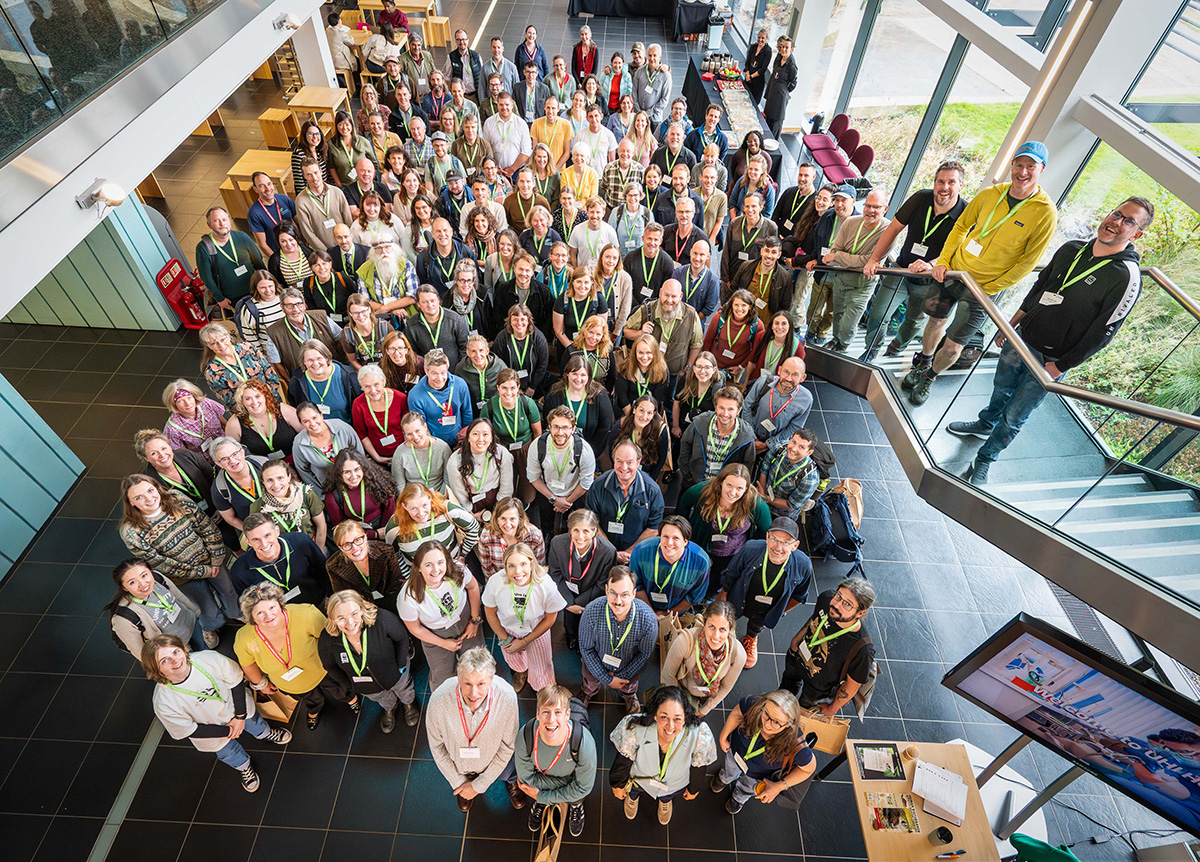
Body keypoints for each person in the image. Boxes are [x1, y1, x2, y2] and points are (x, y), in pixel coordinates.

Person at [951, 197, 1150, 485]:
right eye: (1116, 214)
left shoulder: (1125, 276)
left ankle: (985, 459)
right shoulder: (1071, 249)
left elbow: (1104, 333)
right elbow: (1040, 287)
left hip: (1051, 361)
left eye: (1129, 221)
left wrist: (1059, 367)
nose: (1117, 222)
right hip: (1021, 340)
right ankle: (985, 422)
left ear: (1137, 234)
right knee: (1000, 388)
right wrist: (1011, 325)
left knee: (1015, 416)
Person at [904, 141, 1058, 406]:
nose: (1022, 172)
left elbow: (1027, 262)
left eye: (1030, 166)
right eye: (1018, 164)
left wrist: (992, 286)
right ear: (1012, 166)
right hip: (954, 272)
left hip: (983, 288)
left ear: (1041, 169)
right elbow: (962, 225)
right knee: (935, 321)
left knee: (953, 346)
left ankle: (930, 375)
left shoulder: (1045, 212)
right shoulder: (990, 194)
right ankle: (924, 361)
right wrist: (944, 261)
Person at [145, 634, 292, 792]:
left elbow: (236, 682)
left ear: (183, 649)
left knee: (255, 722)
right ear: (156, 669)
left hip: (239, 709)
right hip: (212, 733)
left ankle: (266, 734)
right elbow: (189, 729)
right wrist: (229, 730)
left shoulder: (208, 659)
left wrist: (240, 717)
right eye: (164, 660)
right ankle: (244, 767)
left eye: (175, 652)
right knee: (228, 752)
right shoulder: (163, 701)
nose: (175, 660)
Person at [859, 161, 969, 362]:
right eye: (940, 181)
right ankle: (872, 350)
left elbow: (960, 250)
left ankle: (898, 344)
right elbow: (893, 228)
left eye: (951, 182)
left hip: (929, 279)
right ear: (934, 183)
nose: (944, 187)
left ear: (960, 185)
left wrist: (931, 264)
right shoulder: (920, 198)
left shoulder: (965, 212)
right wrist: (874, 259)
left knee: (913, 321)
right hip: (901, 270)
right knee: (878, 315)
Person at [118, 475, 238, 635]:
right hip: (183, 576)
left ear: (157, 488)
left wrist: (216, 559)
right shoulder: (131, 531)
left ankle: (236, 613)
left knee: (228, 590)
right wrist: (204, 571)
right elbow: (161, 564)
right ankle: (211, 627)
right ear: (131, 503)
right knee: (204, 606)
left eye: (150, 490)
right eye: (139, 497)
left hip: (210, 560)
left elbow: (206, 527)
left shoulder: (178, 500)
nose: (148, 499)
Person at [235, 583, 352, 730]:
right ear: (251, 617)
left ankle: (351, 699)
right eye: (260, 613)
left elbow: (331, 640)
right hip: (290, 683)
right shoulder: (244, 637)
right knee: (311, 699)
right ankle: (314, 710)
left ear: (280, 604)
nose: (269, 616)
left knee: (340, 688)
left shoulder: (306, 614)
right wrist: (261, 684)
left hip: (323, 670)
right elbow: (248, 664)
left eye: (272, 607)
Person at [426, 646, 523, 812]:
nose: (473, 693)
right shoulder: (438, 700)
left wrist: (479, 786)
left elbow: (507, 747)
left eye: (481, 683)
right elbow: (437, 747)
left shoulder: (507, 697)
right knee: (464, 785)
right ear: (459, 678)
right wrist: (459, 783)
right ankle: (464, 788)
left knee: (510, 771)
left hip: (496, 759)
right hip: (460, 766)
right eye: (467, 683)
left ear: (492, 680)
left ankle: (511, 781)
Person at [609, 685, 718, 824]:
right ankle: (633, 798)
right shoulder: (636, 729)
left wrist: (694, 788)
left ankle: (665, 801)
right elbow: (623, 761)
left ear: (685, 718)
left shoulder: (699, 735)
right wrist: (618, 785)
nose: (670, 726)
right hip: (640, 778)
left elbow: (698, 768)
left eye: (677, 719)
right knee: (635, 790)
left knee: (667, 795)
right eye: (664, 717)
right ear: (655, 715)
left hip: (674, 784)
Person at [718, 516, 813, 669]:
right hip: (740, 597)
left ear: (795, 546)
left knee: (757, 624)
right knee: (728, 619)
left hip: (768, 608)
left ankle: (751, 638)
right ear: (767, 537)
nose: (778, 547)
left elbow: (800, 596)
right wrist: (722, 596)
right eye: (774, 539)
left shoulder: (803, 565)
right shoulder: (750, 549)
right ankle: (723, 637)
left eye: (785, 542)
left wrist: (781, 610)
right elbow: (732, 573)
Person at [319, 589, 420, 732]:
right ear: (332, 619)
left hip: (396, 673)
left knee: (404, 689)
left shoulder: (382, 619)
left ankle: (409, 703)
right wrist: (349, 684)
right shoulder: (327, 639)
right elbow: (329, 665)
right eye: (341, 618)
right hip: (366, 686)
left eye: (354, 614)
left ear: (361, 609)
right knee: (382, 698)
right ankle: (390, 708)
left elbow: (402, 637)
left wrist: (401, 665)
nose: (350, 622)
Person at [780, 576, 876, 715]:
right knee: (786, 687)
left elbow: (851, 686)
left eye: (847, 604)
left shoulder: (862, 649)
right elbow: (815, 619)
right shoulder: (826, 599)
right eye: (838, 596)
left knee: (802, 711)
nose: (837, 605)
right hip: (797, 657)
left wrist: (832, 708)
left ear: (860, 613)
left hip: (818, 686)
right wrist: (796, 640)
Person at [514, 684, 597, 837]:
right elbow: (526, 780)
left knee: (578, 796)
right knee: (573, 792)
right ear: (537, 713)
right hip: (566, 781)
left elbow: (584, 788)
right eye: (545, 712)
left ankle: (574, 805)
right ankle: (565, 800)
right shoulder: (525, 737)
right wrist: (570, 785)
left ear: (568, 714)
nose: (551, 720)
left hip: (543, 783)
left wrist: (542, 796)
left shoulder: (584, 743)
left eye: (558, 712)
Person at [713, 689, 815, 814]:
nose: (767, 724)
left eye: (776, 722)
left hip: (758, 775)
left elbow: (809, 768)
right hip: (735, 751)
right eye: (766, 714)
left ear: (789, 725)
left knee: (748, 787)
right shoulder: (755, 705)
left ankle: (739, 797)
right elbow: (737, 713)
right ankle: (724, 777)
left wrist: (779, 787)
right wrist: (723, 736)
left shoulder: (795, 745)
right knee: (729, 767)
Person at [482, 542, 565, 693]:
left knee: (542, 667)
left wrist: (525, 641)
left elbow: (550, 618)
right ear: (505, 566)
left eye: (523, 564)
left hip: (537, 631)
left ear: (532, 563)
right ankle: (521, 673)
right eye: (511, 565)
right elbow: (490, 612)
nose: (517, 571)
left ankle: (544, 691)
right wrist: (505, 637)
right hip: (507, 631)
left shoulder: (545, 584)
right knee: (515, 660)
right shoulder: (496, 582)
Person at [676, 464, 772, 591]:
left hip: (732, 552)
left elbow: (765, 531)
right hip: (701, 545)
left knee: (717, 580)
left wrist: (751, 551)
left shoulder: (755, 504)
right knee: (694, 576)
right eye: (729, 485)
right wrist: (683, 532)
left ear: (746, 489)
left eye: (739, 488)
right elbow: (684, 503)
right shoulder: (704, 490)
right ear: (721, 482)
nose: (733, 492)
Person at [579, 566, 657, 712]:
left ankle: (629, 695)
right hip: (597, 660)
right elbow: (586, 649)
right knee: (590, 680)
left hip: (629, 666)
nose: (618, 601)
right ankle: (588, 692)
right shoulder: (590, 612)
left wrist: (621, 677)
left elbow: (644, 654)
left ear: (634, 594)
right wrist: (606, 678)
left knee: (629, 684)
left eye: (625, 595)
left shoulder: (648, 620)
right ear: (606, 589)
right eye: (613, 593)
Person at [824, 188, 891, 352]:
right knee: (837, 314)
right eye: (868, 205)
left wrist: (839, 256)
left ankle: (844, 345)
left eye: (876, 207)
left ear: (885, 209)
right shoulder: (850, 222)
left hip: (862, 285)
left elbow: (867, 262)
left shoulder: (888, 231)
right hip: (841, 278)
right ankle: (836, 340)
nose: (870, 210)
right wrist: (840, 255)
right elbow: (834, 250)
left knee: (849, 323)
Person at [660, 600, 746, 717]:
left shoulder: (738, 655)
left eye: (722, 629)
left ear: (729, 630)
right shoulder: (685, 641)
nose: (716, 636)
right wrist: (678, 705)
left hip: (708, 695)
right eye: (711, 627)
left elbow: (725, 687)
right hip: (681, 688)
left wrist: (703, 710)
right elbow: (668, 675)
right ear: (704, 624)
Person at [547, 509, 616, 651]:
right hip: (567, 594)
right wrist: (568, 603)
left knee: (589, 624)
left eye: (586, 531)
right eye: (576, 530)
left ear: (594, 531)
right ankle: (571, 637)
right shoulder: (557, 543)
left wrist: (577, 603)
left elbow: (603, 583)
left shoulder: (608, 551)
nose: (580, 536)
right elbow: (555, 574)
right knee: (569, 623)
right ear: (570, 531)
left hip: (592, 595)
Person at [587, 440, 665, 563]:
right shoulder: (598, 486)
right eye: (619, 461)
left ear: (638, 462)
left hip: (637, 554)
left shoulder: (652, 490)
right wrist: (612, 552)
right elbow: (591, 522)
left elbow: (654, 528)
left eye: (629, 462)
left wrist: (630, 552)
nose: (624, 467)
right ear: (613, 460)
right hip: (603, 551)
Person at [108, 558, 206, 654]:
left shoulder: (158, 578)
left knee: (204, 651)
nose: (143, 584)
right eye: (132, 582)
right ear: (124, 588)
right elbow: (140, 652)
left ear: (150, 572)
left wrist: (197, 614)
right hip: (174, 648)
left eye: (144, 575)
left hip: (191, 624)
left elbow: (179, 596)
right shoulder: (124, 618)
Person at [526, 404, 597, 536]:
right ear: (549, 427)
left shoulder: (583, 450)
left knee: (576, 529)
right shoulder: (537, 446)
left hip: (575, 495)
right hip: (547, 493)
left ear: (573, 429)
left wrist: (568, 501)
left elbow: (586, 482)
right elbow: (533, 477)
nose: (560, 432)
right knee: (546, 527)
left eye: (565, 427)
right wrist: (554, 499)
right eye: (556, 427)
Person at [629, 516, 711, 628]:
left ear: (685, 541)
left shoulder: (701, 562)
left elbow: (693, 598)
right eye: (665, 537)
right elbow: (636, 586)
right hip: (643, 607)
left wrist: (667, 614)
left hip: (677, 614)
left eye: (676, 538)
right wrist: (651, 614)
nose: (669, 543)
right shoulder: (640, 551)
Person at [798, 183, 852, 344]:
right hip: (822, 271)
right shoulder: (827, 217)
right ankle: (810, 331)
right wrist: (815, 257)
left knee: (832, 310)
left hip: (842, 275)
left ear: (853, 201)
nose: (839, 204)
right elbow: (817, 239)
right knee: (814, 306)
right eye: (836, 200)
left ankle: (822, 334)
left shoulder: (857, 222)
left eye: (844, 200)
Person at [385, 482, 480, 573]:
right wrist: (408, 577)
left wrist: (462, 555)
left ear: (430, 499)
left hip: (449, 568)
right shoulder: (394, 527)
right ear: (404, 506)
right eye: (414, 508)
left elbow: (474, 527)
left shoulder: (446, 510)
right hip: (419, 576)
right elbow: (394, 554)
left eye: (425, 505)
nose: (421, 513)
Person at [621, 279, 705, 381]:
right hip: (647, 372)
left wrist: (687, 368)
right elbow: (626, 332)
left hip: (674, 374)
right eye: (666, 295)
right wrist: (640, 333)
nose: (669, 300)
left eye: (673, 296)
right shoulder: (645, 310)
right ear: (660, 293)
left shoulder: (691, 315)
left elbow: (696, 345)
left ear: (680, 296)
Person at [679, 386, 758, 489]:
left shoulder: (747, 436)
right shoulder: (699, 423)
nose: (725, 414)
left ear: (738, 411)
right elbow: (685, 445)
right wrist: (687, 475)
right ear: (715, 407)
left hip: (725, 490)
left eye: (730, 409)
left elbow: (747, 466)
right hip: (694, 483)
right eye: (721, 408)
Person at [544, 353, 616, 457]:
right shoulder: (555, 394)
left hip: (589, 453)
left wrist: (589, 454)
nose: (578, 379)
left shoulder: (599, 396)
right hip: (559, 452)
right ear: (567, 374)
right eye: (574, 374)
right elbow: (548, 423)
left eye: (583, 375)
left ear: (589, 377)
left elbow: (604, 428)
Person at [225, 377, 302, 471]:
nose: (254, 402)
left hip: (297, 461)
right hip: (264, 469)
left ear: (266, 396)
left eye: (258, 396)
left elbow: (306, 433)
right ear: (242, 402)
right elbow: (230, 453)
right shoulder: (234, 423)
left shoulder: (284, 410)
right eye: (248, 398)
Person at [195, 207, 264, 311]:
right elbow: (207, 278)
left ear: (229, 221)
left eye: (224, 219)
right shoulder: (203, 248)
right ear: (209, 224)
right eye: (216, 220)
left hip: (256, 290)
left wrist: (266, 283)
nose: (222, 224)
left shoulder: (242, 237)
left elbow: (258, 262)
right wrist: (220, 298)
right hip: (232, 298)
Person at [326, 516, 405, 605]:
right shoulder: (333, 566)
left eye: (358, 540)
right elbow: (345, 598)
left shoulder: (386, 552)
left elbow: (396, 585)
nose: (355, 548)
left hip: (391, 600)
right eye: (347, 545)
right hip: (360, 607)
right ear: (340, 548)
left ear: (365, 537)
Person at [445, 418, 515, 518]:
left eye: (485, 434)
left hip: (498, 500)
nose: (480, 439)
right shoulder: (455, 460)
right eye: (475, 434)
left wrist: (498, 510)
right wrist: (470, 513)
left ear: (491, 438)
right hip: (471, 503)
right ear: (468, 438)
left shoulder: (501, 453)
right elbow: (459, 491)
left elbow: (506, 486)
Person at [322, 448, 397, 540]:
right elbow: (341, 528)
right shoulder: (333, 496)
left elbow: (389, 506)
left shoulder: (377, 481)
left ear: (363, 468)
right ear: (339, 473)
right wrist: (373, 534)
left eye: (357, 469)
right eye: (347, 472)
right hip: (356, 537)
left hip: (385, 529)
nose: (353, 476)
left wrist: (385, 531)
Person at [248, 458, 327, 546]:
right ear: (263, 482)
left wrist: (318, 553)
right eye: (270, 480)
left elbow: (321, 526)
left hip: (311, 545)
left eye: (280, 478)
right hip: (282, 553)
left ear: (289, 477)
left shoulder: (306, 494)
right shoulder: (258, 507)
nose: (276, 485)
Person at [743, 357, 812, 455]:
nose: (788, 378)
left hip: (773, 446)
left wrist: (768, 444)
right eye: (786, 372)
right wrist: (751, 437)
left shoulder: (806, 399)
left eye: (795, 375)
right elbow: (747, 407)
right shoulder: (763, 382)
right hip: (749, 435)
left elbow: (794, 427)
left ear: (803, 378)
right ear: (779, 370)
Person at [267, 287, 343, 376]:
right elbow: (276, 364)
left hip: (333, 372)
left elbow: (340, 339)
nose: (295, 309)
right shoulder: (274, 332)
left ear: (304, 304)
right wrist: (290, 383)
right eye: (289, 305)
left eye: (298, 304)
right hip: (303, 380)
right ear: (282, 308)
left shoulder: (322, 317)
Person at [292, 402, 365, 491]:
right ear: (301, 423)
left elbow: (360, 454)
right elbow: (304, 472)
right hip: (330, 488)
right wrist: (321, 494)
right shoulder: (299, 443)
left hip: (356, 481)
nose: (312, 423)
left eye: (315, 417)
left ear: (321, 415)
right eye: (306, 421)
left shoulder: (341, 427)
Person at [407, 347, 473, 444]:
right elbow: (420, 426)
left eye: (443, 373)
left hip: (460, 439)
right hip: (434, 442)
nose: (439, 378)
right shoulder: (415, 395)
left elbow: (467, 413)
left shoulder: (460, 384)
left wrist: (465, 438)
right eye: (434, 373)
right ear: (426, 371)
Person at [286, 341, 360, 425]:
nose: (315, 364)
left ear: (327, 357)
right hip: (315, 430)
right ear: (304, 362)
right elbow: (296, 410)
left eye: (319, 358)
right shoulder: (297, 381)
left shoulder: (348, 375)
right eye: (310, 360)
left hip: (346, 429)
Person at [720, 193, 778, 296]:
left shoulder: (771, 227)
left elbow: (772, 258)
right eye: (747, 206)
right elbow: (726, 252)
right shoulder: (734, 224)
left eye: (754, 206)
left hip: (755, 280)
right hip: (733, 278)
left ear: (761, 207)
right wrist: (725, 279)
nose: (750, 210)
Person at [758, 426, 822, 521]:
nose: (794, 449)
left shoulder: (810, 478)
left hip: (781, 514)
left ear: (809, 452)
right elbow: (765, 468)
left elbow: (791, 505)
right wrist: (762, 492)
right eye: (793, 442)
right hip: (763, 497)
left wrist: (766, 498)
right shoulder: (779, 448)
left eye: (801, 447)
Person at [703, 290, 764, 385]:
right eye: (736, 305)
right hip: (714, 365)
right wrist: (708, 363)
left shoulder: (757, 325)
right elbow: (707, 341)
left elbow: (755, 351)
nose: (739, 309)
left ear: (750, 306)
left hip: (736, 369)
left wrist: (740, 366)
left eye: (744, 305)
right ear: (731, 305)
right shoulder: (719, 318)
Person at [209, 437, 268, 536]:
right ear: (219, 464)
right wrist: (253, 532)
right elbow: (230, 519)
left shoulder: (265, 464)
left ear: (242, 452)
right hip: (255, 530)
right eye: (224, 459)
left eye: (235, 454)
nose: (232, 461)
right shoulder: (219, 488)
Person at [490, 301, 551, 395]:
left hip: (534, 387)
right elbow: (499, 366)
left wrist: (532, 387)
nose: (519, 323)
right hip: (509, 389)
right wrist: (513, 388)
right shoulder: (501, 338)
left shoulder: (539, 338)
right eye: (515, 319)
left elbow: (542, 365)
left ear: (528, 321)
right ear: (509, 321)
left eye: (523, 319)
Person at [475, 496, 545, 576]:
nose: (508, 525)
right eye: (503, 519)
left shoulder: (535, 535)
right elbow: (487, 569)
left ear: (520, 519)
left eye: (512, 519)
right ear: (497, 519)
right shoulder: (486, 536)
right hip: (501, 581)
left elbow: (539, 567)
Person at [162, 379, 225, 463]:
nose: (188, 404)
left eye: (189, 397)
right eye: (180, 401)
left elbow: (225, 425)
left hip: (225, 449)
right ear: (173, 404)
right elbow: (185, 456)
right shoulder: (172, 429)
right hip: (205, 463)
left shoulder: (207, 404)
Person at [607, 394, 670, 479]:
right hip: (622, 471)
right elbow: (612, 451)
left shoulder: (660, 430)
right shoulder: (621, 425)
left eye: (649, 413)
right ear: (634, 409)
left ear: (654, 414)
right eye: (641, 410)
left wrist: (650, 480)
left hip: (646, 474)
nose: (644, 417)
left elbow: (660, 461)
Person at [671, 352, 725, 443]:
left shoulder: (717, 388)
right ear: (694, 368)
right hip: (684, 425)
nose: (702, 371)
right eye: (699, 366)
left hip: (704, 431)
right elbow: (676, 403)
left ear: (714, 369)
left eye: (707, 367)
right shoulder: (686, 380)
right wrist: (675, 426)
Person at [391, 412, 451, 491]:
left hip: (439, 496)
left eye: (417, 431)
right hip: (413, 499)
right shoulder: (400, 453)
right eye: (409, 434)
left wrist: (439, 499)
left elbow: (448, 479)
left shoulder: (442, 447)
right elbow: (399, 485)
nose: (415, 437)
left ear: (425, 427)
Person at [482, 93, 533, 183]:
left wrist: (512, 169)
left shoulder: (521, 124)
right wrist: (495, 168)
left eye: (507, 104)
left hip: (517, 172)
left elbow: (526, 151)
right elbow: (486, 149)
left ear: (512, 105)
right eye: (501, 104)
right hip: (495, 173)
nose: (504, 107)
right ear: (497, 105)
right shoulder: (489, 123)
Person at [673, 240, 719, 324]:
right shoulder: (678, 272)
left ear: (708, 256)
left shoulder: (713, 280)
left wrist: (691, 322)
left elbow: (708, 308)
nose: (697, 258)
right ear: (690, 252)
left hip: (696, 323)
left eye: (702, 255)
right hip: (675, 320)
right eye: (695, 253)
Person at [750, 311, 805, 382]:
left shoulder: (797, 346)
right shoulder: (761, 336)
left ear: (789, 326)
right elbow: (752, 361)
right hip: (756, 381)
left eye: (784, 324)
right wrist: (745, 384)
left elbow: (797, 373)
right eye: (776, 323)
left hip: (777, 386)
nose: (780, 327)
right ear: (772, 326)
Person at [762, 36, 797, 138]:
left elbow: (793, 83)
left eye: (787, 48)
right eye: (782, 47)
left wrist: (783, 91)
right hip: (772, 91)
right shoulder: (778, 57)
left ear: (791, 49)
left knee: (776, 123)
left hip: (781, 97)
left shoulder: (792, 65)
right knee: (767, 118)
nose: (784, 49)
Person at [632, 43, 672, 125]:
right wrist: (639, 112)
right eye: (650, 55)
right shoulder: (639, 71)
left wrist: (648, 113)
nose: (652, 58)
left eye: (655, 55)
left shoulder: (666, 76)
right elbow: (634, 92)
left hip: (654, 118)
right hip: (638, 116)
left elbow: (664, 100)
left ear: (660, 56)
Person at [443, 29, 483, 100]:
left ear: (468, 40)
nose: (461, 42)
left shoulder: (476, 56)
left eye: (464, 39)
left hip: (475, 95)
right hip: (460, 96)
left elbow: (482, 76)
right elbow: (448, 79)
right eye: (458, 40)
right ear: (456, 41)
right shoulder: (451, 57)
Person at [743, 29, 772, 103]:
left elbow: (763, 69)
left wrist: (751, 76)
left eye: (763, 38)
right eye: (759, 37)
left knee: (753, 102)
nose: (760, 40)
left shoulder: (768, 51)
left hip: (757, 82)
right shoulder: (753, 46)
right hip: (748, 77)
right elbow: (747, 61)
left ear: (766, 39)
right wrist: (747, 74)